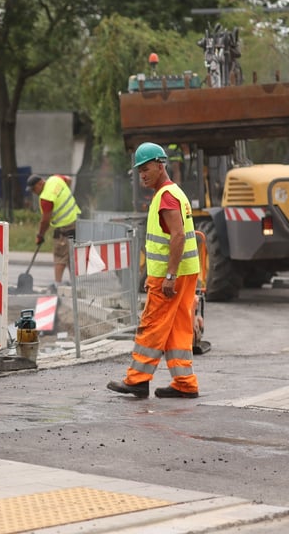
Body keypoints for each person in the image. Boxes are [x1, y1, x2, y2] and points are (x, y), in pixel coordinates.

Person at [107, 142, 200, 399]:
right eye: (139, 171)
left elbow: (178, 236)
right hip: (187, 272)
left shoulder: (166, 197)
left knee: (152, 325)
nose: (142, 175)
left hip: (169, 277)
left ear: (160, 166)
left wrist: (170, 275)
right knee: (178, 327)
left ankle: (137, 380)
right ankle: (185, 383)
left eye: (146, 169)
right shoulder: (176, 193)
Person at [27, 173, 81, 294]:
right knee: (70, 254)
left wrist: (40, 235)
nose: (33, 192)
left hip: (64, 226)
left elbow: (45, 220)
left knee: (60, 255)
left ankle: (57, 285)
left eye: (34, 189)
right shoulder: (56, 179)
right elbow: (69, 180)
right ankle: (75, 284)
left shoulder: (46, 197)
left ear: (40, 183)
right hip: (75, 220)